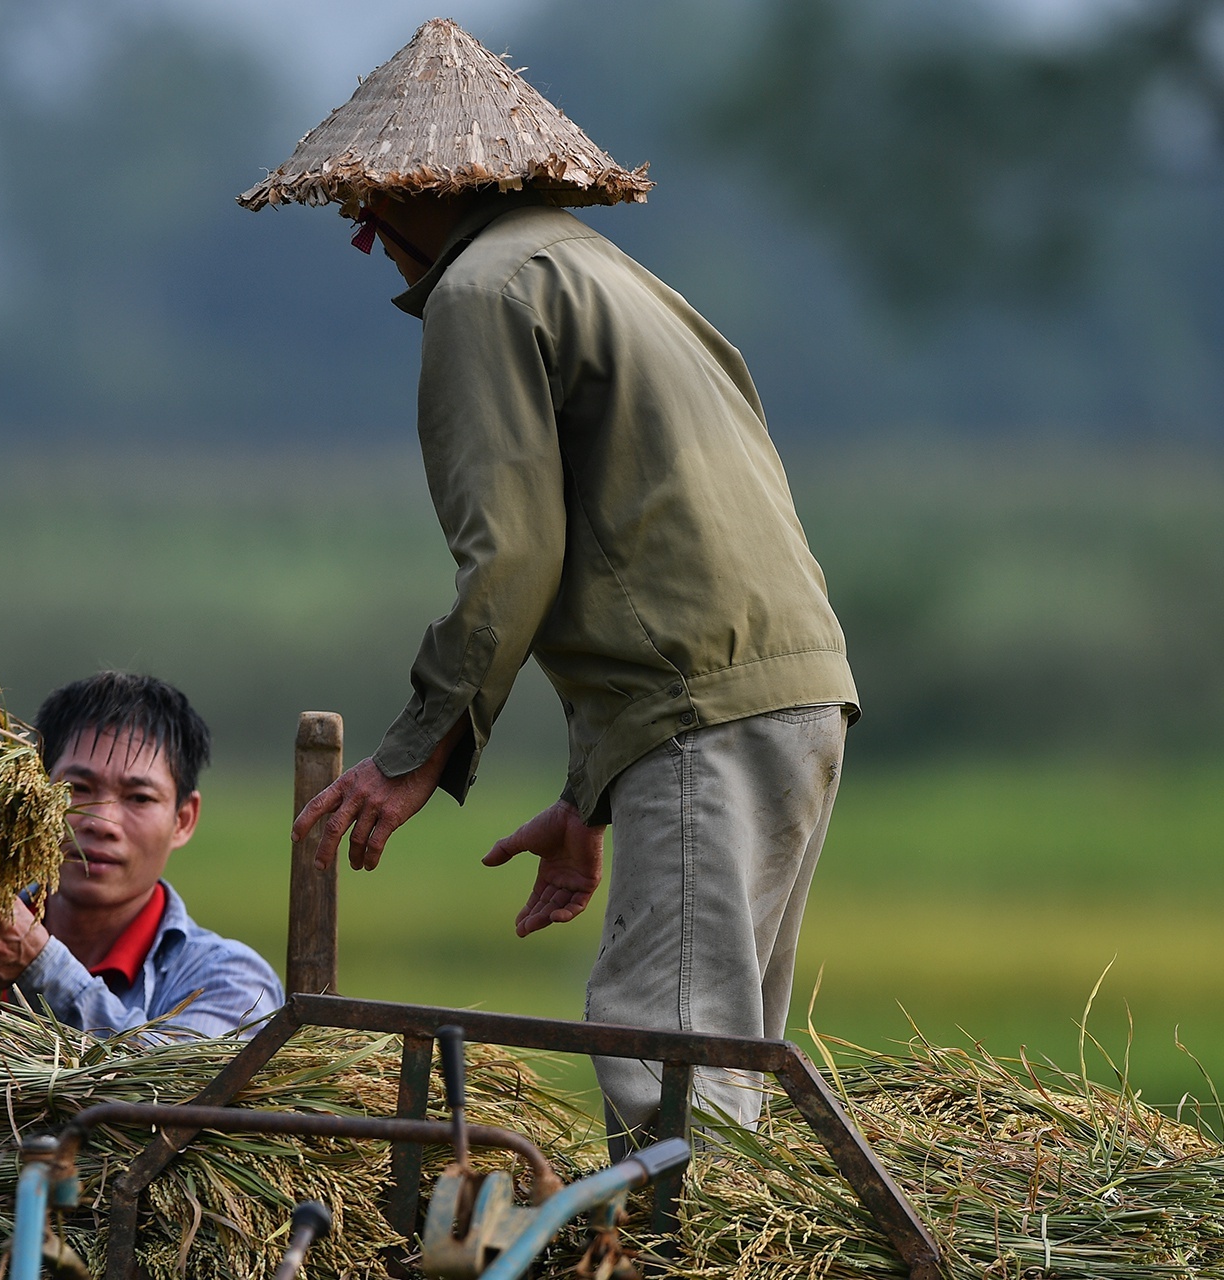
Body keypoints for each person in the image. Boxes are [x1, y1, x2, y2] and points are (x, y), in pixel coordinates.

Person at [243, 20, 858, 1151]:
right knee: (725, 1059)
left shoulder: (483, 291)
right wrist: (588, 798)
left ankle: (674, 1240)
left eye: (364, 210)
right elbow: (643, 552)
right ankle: (705, 1227)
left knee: (668, 1066)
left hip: (705, 712)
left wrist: (409, 755)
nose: (367, 240)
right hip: (788, 695)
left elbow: (514, 558)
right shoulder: (606, 273)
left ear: (419, 191)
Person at [0, 672, 283, 1271]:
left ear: (184, 819)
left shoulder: (231, 980)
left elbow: (176, 1087)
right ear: (34, 793)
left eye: (139, 798)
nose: (101, 820)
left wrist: (40, 965)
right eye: (77, 788)